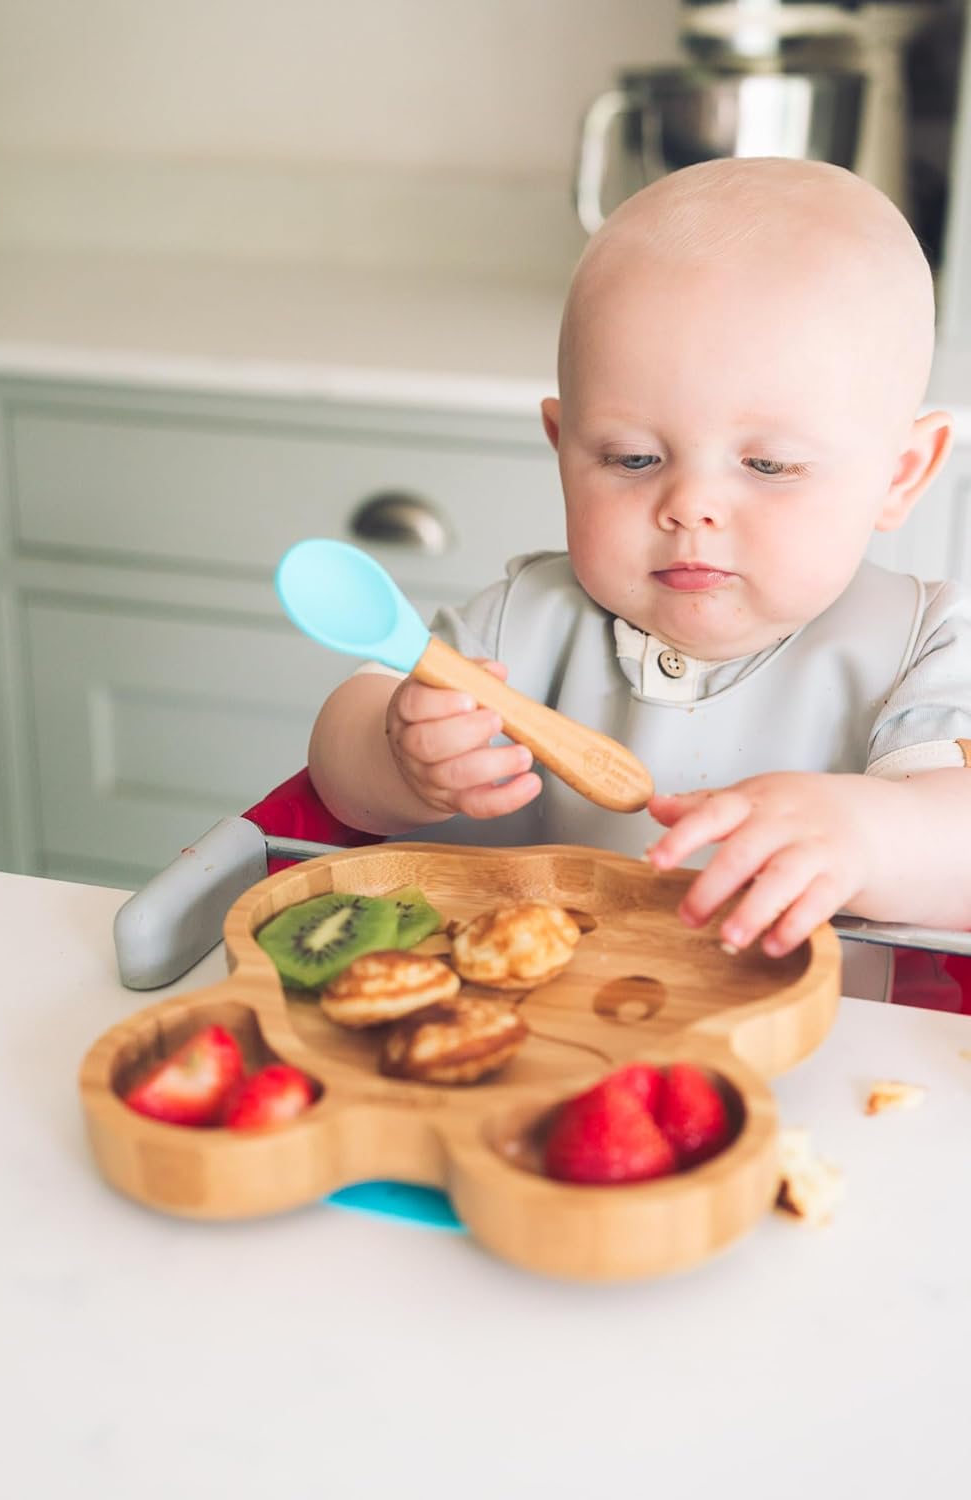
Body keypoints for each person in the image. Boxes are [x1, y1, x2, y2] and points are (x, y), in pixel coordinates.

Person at [308, 157, 971, 1000]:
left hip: (797, 1075)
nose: (690, 505)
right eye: (632, 458)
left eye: (768, 464)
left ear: (903, 474)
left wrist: (871, 838)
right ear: (562, 448)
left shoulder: (919, 647)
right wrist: (400, 757)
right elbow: (338, 771)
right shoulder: (527, 620)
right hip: (529, 1041)